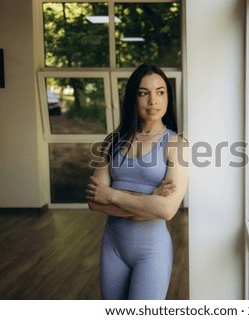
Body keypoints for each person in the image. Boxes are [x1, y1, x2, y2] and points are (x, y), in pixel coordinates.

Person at [85, 63, 189, 300]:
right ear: (133, 97)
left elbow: (167, 210)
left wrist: (112, 195)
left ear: (168, 97)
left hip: (152, 251)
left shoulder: (177, 145)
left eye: (161, 92)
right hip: (113, 247)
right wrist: (149, 201)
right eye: (144, 93)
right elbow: (93, 202)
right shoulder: (113, 141)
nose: (153, 101)